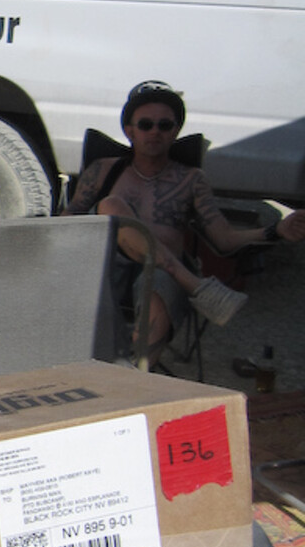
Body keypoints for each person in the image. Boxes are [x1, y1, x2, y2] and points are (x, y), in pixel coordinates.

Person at [65, 79, 305, 354]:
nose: (155, 132)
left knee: (156, 289)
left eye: (165, 125)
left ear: (176, 131)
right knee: (111, 206)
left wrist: (277, 230)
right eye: (145, 125)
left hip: (158, 276)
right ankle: (196, 286)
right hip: (104, 266)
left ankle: (137, 373)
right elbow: (67, 218)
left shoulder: (191, 180)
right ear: (129, 131)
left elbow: (224, 239)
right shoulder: (103, 170)